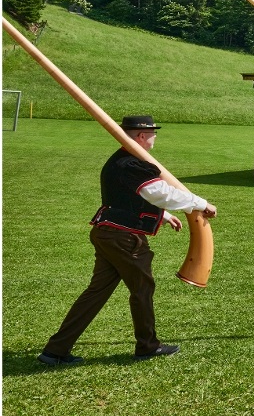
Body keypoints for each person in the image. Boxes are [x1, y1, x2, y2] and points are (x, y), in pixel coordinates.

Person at [39, 115, 218, 366]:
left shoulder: (122, 161)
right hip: (123, 239)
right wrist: (200, 203)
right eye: (153, 132)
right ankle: (147, 346)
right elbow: (159, 193)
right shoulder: (131, 164)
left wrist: (162, 215)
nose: (155, 136)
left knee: (96, 293)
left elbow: (130, 197)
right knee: (142, 288)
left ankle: (55, 351)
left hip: (108, 234)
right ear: (141, 136)